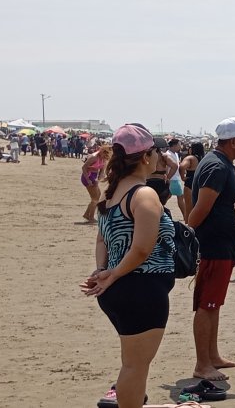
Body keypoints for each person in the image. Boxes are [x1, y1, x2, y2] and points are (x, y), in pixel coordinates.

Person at [81, 124, 175, 408]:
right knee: (135, 367)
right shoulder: (143, 195)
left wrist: (103, 270)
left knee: (131, 363)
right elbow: (142, 248)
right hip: (141, 289)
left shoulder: (112, 194)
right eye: (157, 152)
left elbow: (102, 240)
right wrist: (112, 275)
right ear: (146, 156)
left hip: (121, 289)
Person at [187, 117, 235, 381]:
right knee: (207, 304)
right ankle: (202, 364)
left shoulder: (223, 164)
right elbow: (202, 208)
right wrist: (185, 237)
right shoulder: (216, 166)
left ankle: (212, 356)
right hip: (213, 246)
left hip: (222, 246)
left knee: (214, 303)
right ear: (234, 141)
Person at [81, 145, 111, 222]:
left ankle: (87, 214)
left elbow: (101, 172)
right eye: (105, 153)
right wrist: (88, 180)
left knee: (97, 197)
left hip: (94, 177)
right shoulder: (94, 157)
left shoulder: (103, 160)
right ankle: (91, 217)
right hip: (87, 176)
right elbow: (84, 167)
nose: (106, 155)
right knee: (95, 199)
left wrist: (98, 180)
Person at [179, 142, 205, 222]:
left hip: (190, 183)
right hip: (201, 184)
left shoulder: (191, 158)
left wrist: (182, 177)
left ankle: (188, 229)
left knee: (189, 210)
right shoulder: (204, 158)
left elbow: (182, 166)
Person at [164, 139, 185, 218]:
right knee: (180, 197)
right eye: (179, 145)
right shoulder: (168, 154)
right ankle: (185, 216)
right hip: (173, 179)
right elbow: (166, 167)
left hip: (175, 178)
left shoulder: (175, 154)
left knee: (168, 196)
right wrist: (168, 177)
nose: (180, 146)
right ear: (174, 145)